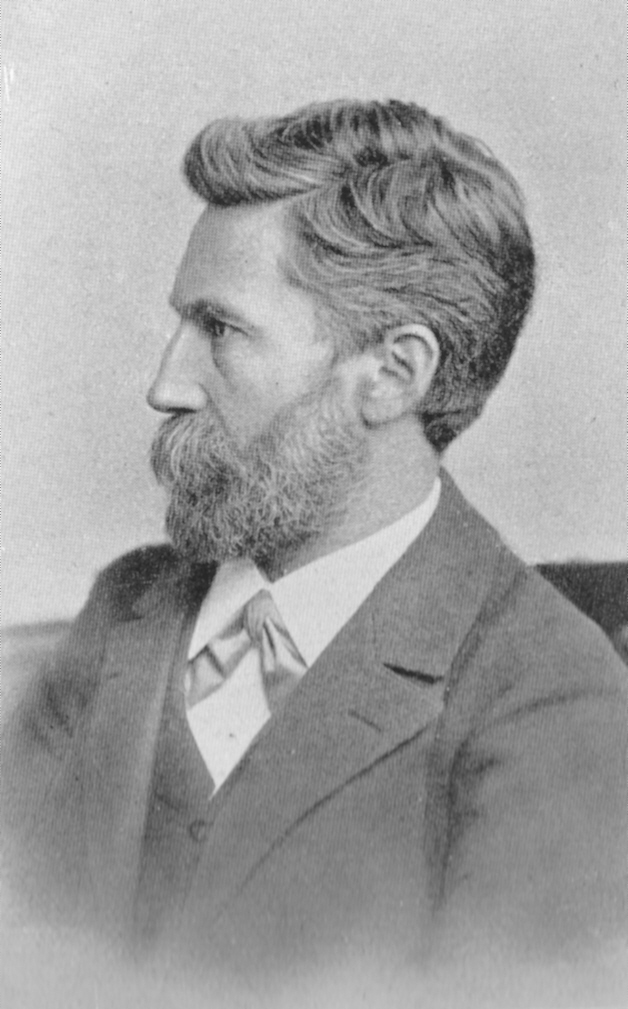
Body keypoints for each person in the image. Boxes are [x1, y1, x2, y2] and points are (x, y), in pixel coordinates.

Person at [3, 100, 627, 989]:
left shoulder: (547, 695)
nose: (166, 385)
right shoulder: (125, 605)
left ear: (393, 374)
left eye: (220, 329)